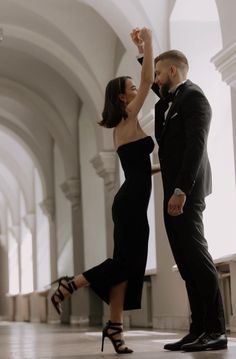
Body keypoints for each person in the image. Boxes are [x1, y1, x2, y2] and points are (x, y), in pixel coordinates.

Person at [50, 27, 154, 355]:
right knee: (127, 262)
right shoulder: (128, 117)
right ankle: (72, 283)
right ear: (123, 98)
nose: (137, 90)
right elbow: (150, 80)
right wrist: (146, 44)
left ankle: (115, 327)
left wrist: (163, 169)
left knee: (126, 264)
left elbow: (138, 169)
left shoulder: (124, 127)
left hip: (130, 199)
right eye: (132, 89)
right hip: (131, 202)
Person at [131, 28, 227, 352]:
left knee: (197, 259)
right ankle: (197, 328)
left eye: (158, 73)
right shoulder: (172, 102)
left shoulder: (194, 97)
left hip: (187, 191)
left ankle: (216, 330)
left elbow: (195, 147)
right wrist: (145, 53)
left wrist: (182, 190)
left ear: (173, 71)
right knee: (185, 263)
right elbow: (159, 94)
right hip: (173, 191)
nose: (154, 80)